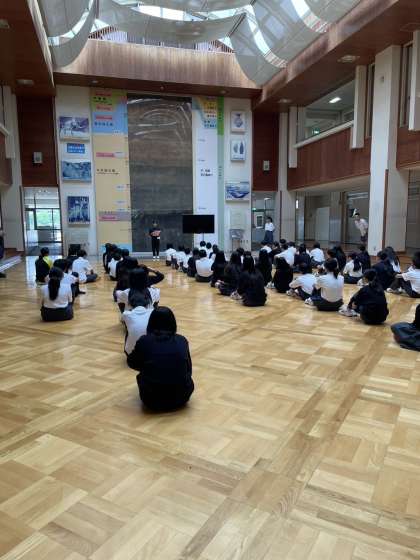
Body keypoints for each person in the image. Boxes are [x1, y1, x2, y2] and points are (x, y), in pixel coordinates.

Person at [127, 306, 194, 411]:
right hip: (182, 397)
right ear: (173, 322)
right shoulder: (182, 340)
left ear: (151, 322)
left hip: (152, 400)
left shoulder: (144, 341)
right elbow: (188, 367)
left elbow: (131, 362)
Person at [122, 291, 153, 357]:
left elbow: (122, 320)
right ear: (147, 303)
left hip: (131, 353)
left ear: (130, 304)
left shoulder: (126, 314)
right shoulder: (152, 312)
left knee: (128, 329)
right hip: (150, 353)